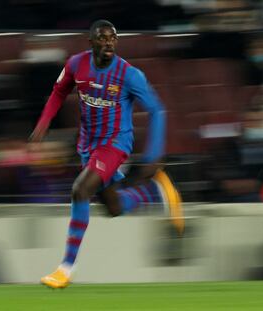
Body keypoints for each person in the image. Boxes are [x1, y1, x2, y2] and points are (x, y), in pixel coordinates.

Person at [29, 19, 184, 289]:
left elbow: (158, 110)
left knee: (80, 191)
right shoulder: (77, 65)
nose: (109, 42)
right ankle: (152, 191)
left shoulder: (129, 74)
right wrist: (43, 123)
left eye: (112, 38)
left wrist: (153, 154)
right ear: (91, 42)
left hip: (115, 144)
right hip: (88, 146)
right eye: (102, 38)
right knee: (113, 209)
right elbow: (58, 92)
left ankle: (66, 268)